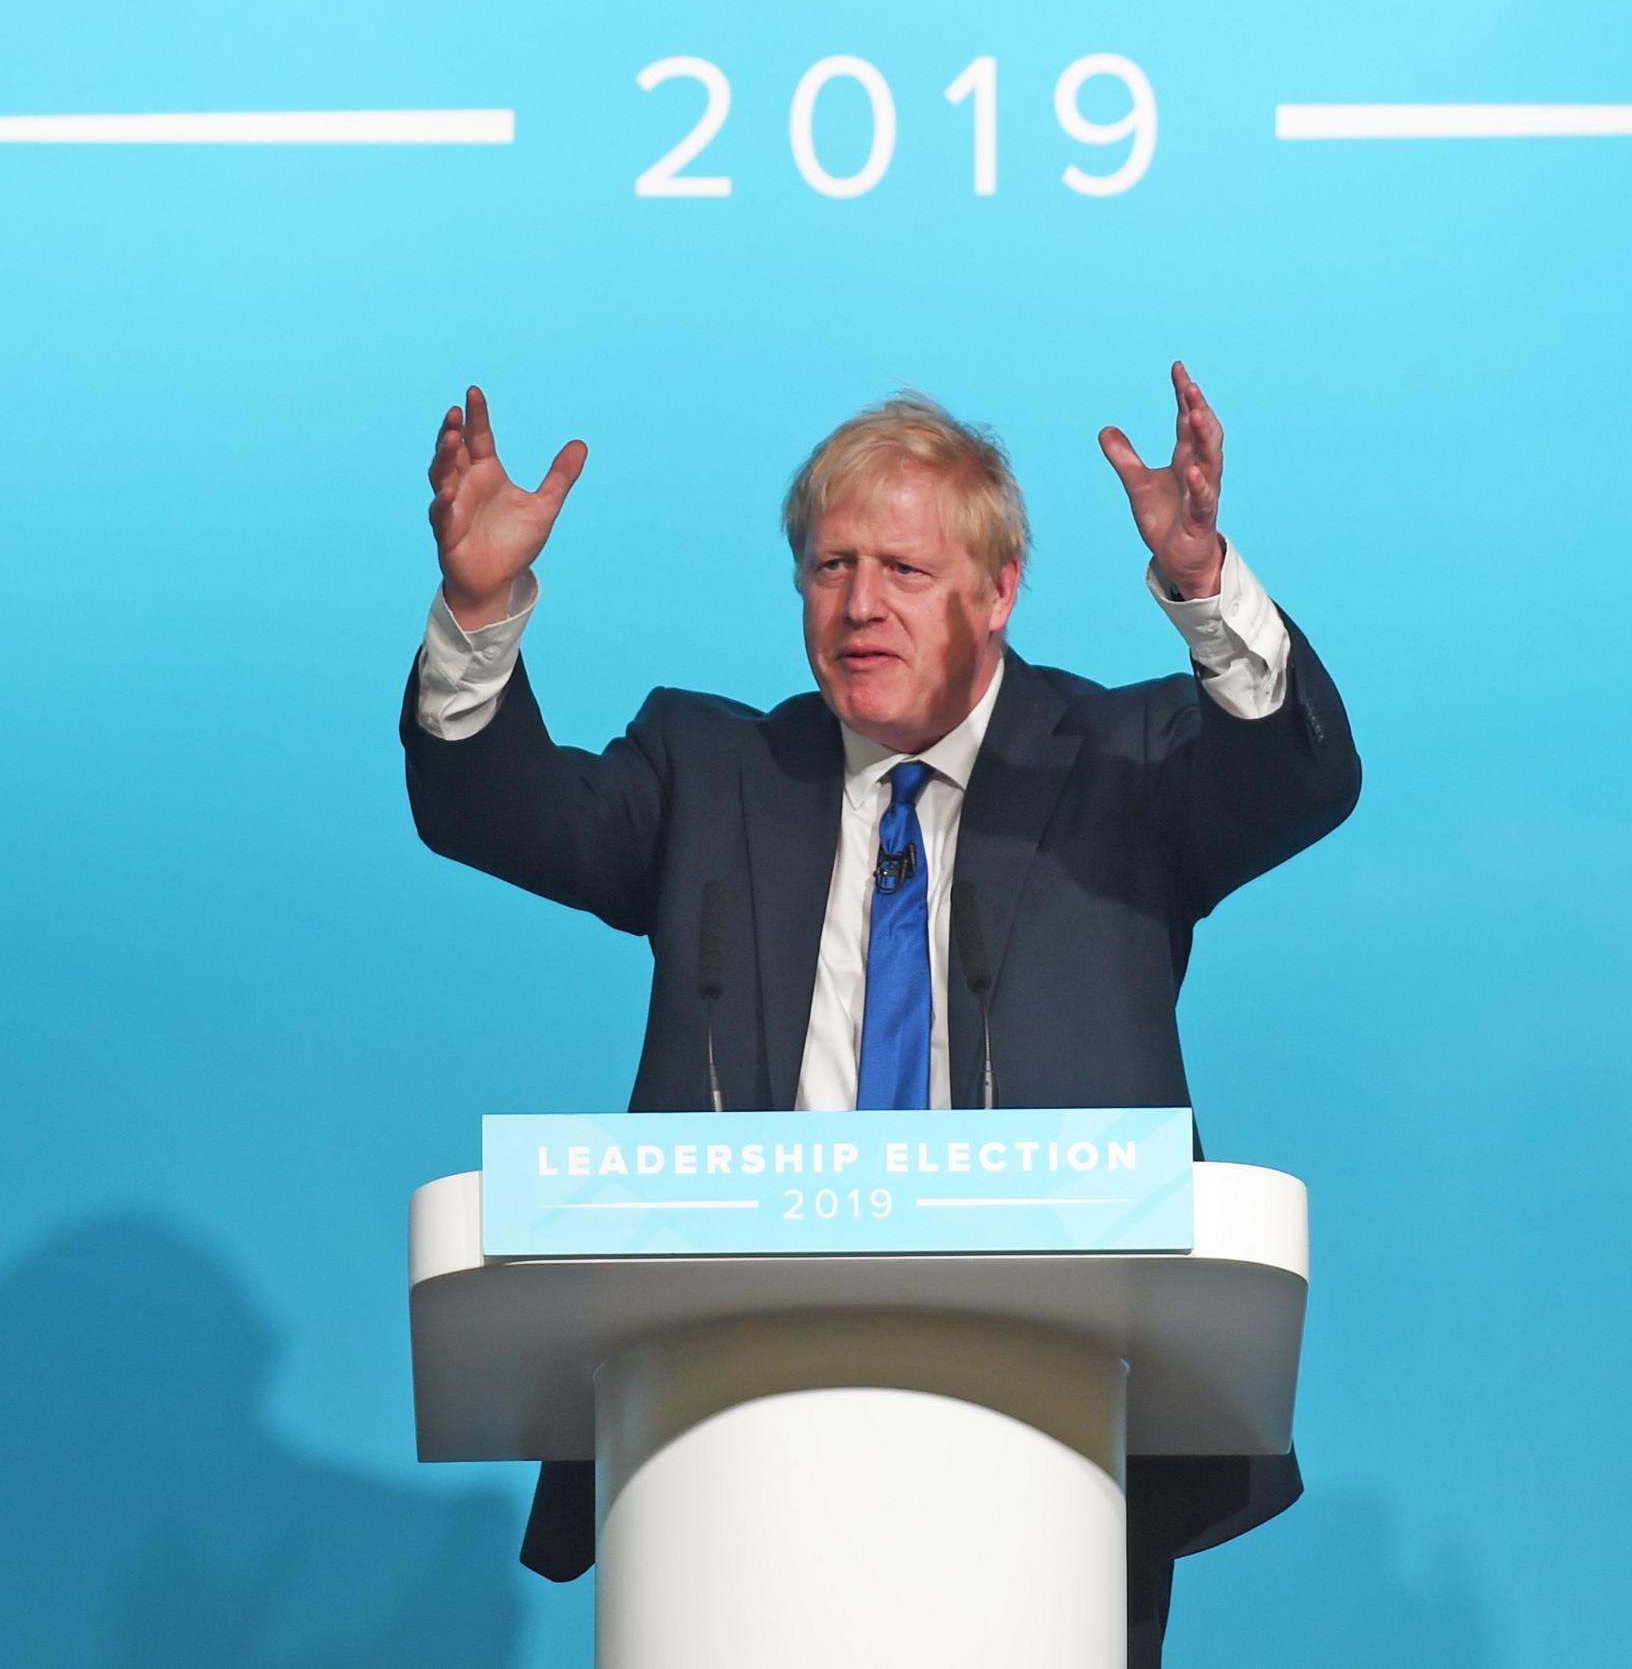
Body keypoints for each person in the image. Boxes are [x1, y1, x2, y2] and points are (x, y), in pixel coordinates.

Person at [399, 366, 1362, 1669]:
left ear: (997, 592)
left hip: (1061, 1432)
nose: (859, 605)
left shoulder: (1124, 767)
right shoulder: (713, 771)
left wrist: (1204, 584)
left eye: (904, 570)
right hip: (725, 1455)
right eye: (830, 566)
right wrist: (475, 607)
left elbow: (1298, 777)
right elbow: (489, 808)